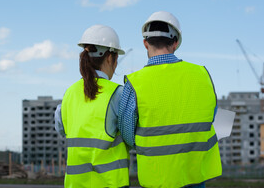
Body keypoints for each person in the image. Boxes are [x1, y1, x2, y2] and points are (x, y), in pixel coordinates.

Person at [118, 11, 222, 188]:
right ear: (175, 43)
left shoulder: (135, 83)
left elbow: (127, 135)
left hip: (157, 177)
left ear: (145, 43)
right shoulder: (202, 75)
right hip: (195, 174)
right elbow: (213, 119)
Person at [55, 24, 130, 188]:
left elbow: (61, 128)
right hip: (110, 184)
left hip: (75, 184)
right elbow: (131, 137)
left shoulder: (69, 94)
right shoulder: (118, 93)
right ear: (110, 58)